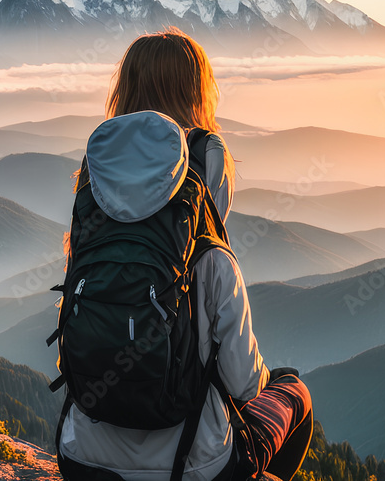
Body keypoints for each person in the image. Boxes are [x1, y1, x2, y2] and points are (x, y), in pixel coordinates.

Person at [56, 27, 313, 481]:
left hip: (82, 460)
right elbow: (244, 383)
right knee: (292, 391)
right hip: (191, 467)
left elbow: (70, 355)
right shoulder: (209, 250)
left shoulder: (92, 230)